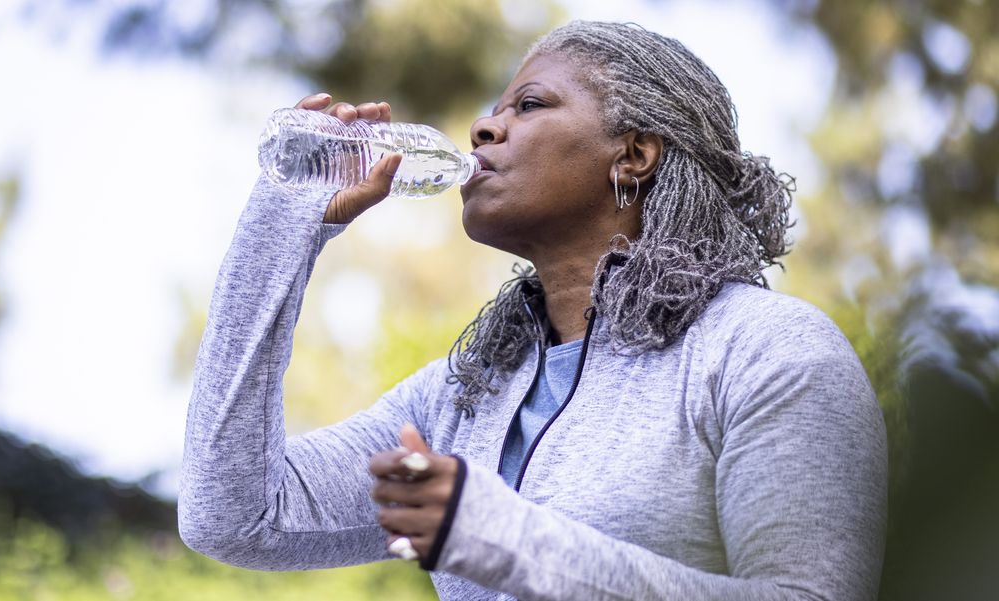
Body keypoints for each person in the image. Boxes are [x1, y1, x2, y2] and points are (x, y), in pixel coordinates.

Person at [179, 20, 887, 601]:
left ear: (634, 155)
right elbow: (234, 516)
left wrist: (497, 533)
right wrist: (284, 229)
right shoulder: (461, 396)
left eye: (529, 105)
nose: (483, 127)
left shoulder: (766, 350)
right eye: (496, 108)